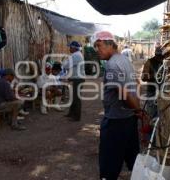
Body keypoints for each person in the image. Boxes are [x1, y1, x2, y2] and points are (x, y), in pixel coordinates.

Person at [94, 31, 143, 180]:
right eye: (96, 46)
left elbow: (124, 93)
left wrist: (139, 110)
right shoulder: (124, 60)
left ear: (110, 45)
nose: (97, 50)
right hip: (128, 118)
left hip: (116, 122)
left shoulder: (112, 65)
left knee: (109, 165)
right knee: (133, 160)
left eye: (99, 46)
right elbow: (135, 84)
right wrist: (137, 110)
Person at [62, 41, 85, 121]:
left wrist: (65, 61)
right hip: (77, 78)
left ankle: (76, 117)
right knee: (73, 97)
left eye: (70, 47)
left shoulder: (76, 56)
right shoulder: (76, 55)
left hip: (78, 79)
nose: (69, 49)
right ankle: (71, 113)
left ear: (74, 48)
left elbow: (66, 66)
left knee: (76, 98)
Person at [141, 47, 164, 118]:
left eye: (162, 56)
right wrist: (154, 75)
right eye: (159, 56)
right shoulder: (149, 62)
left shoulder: (165, 62)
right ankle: (151, 127)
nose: (160, 58)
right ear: (156, 54)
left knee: (162, 115)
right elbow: (143, 78)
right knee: (152, 113)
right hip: (152, 92)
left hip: (163, 92)